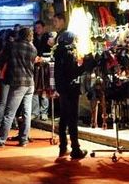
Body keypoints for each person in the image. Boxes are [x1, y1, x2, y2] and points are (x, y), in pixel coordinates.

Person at [0, 27, 37, 148]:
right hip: (30, 82)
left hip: (18, 82)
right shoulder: (33, 48)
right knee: (26, 113)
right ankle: (23, 139)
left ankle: (0, 140)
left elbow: (1, 59)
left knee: (9, 112)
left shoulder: (12, 45)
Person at [52, 13, 87, 159]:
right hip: (70, 88)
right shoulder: (68, 52)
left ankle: (63, 147)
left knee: (64, 118)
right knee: (72, 118)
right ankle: (75, 148)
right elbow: (73, 72)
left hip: (62, 88)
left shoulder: (58, 52)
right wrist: (85, 65)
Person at [32, 21, 51, 121]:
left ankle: (44, 112)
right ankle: (35, 112)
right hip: (35, 67)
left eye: (39, 27)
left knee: (44, 89)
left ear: (43, 28)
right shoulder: (33, 39)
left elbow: (51, 52)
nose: (37, 30)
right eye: (36, 28)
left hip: (45, 66)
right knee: (34, 89)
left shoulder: (48, 38)